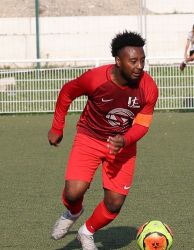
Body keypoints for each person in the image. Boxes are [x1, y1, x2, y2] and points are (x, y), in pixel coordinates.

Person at [48, 31, 158, 249]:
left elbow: (142, 125)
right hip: (90, 137)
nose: (139, 66)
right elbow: (67, 92)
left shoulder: (149, 88)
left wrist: (125, 140)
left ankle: (86, 231)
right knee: (73, 192)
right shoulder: (95, 78)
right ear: (118, 61)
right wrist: (57, 126)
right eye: (133, 61)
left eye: (142, 60)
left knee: (114, 203)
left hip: (123, 148)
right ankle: (74, 211)